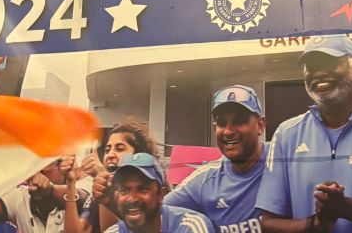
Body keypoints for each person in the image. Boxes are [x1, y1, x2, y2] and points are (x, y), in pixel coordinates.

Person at [256, 36, 352, 233]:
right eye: (312, 66)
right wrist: (316, 225)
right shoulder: (287, 134)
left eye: (330, 63)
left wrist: (346, 208)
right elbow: (269, 224)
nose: (320, 73)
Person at [164, 85, 267, 232]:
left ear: (260, 125)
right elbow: (157, 213)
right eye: (222, 123)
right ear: (214, 129)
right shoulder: (205, 180)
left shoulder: (281, 162)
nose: (228, 131)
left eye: (239, 121)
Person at [106, 153, 215, 233]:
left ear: (161, 195)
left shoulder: (190, 227)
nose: (132, 199)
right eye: (124, 191)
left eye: (142, 189)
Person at [85, 119, 161, 233]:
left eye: (119, 149)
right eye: (107, 150)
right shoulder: (99, 190)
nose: (110, 155)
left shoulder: (154, 190)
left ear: (138, 155)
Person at [0, 159, 84, 233]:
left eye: (45, 167)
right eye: (34, 168)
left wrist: (50, 190)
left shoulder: (84, 185)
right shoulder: (20, 198)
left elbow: (82, 198)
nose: (38, 175)